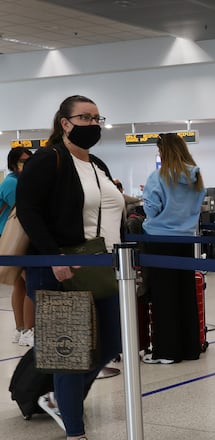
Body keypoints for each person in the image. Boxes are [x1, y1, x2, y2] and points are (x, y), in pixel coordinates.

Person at [16, 94, 124, 440]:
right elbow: (29, 210)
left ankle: (60, 398)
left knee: (109, 345)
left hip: (99, 264)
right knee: (69, 352)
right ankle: (75, 431)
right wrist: (53, 257)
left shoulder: (97, 165)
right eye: (85, 118)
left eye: (97, 119)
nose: (93, 125)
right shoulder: (49, 160)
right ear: (65, 123)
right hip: (59, 266)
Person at [141, 132, 207, 364]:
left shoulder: (158, 177)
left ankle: (167, 350)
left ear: (164, 151)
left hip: (159, 240)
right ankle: (190, 347)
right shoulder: (195, 177)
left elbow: (151, 209)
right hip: (186, 240)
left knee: (163, 296)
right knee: (185, 293)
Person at [0, 147, 34, 346]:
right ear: (13, 163)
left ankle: (21, 329)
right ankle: (27, 329)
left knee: (20, 284)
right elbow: (25, 211)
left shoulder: (16, 181)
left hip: (13, 238)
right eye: (22, 161)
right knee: (29, 282)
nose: (26, 165)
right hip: (15, 240)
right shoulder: (12, 183)